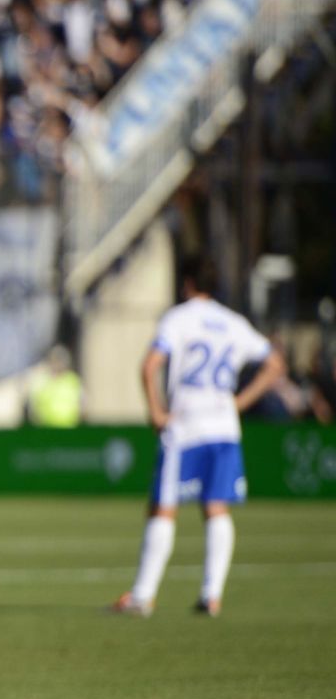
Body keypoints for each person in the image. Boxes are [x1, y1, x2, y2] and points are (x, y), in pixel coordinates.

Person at [112, 260, 286, 618]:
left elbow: (149, 366)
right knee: (216, 506)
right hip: (223, 428)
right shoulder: (234, 323)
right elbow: (275, 365)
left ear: (186, 282)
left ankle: (143, 596)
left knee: (163, 508)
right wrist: (239, 402)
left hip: (186, 426)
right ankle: (212, 596)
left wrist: (156, 411)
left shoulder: (178, 318)